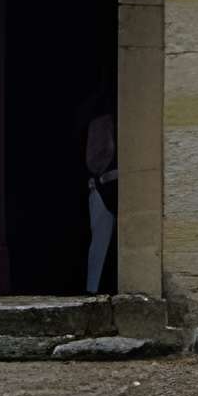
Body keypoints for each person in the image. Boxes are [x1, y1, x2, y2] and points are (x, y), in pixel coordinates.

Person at [81, 100, 117, 294]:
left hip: (113, 184)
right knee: (100, 244)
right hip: (104, 186)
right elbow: (95, 162)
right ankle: (94, 290)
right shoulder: (101, 123)